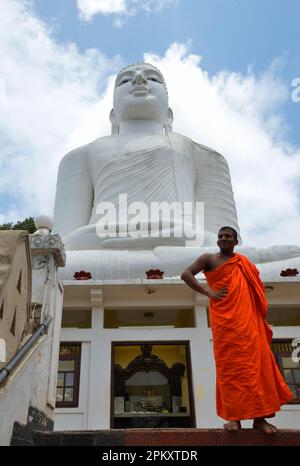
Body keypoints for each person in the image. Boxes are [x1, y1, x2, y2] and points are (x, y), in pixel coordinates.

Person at [181, 226, 294, 434]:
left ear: (236, 241)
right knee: (231, 369)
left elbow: (256, 290)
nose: (223, 239)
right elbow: (186, 274)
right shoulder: (209, 259)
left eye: (228, 236)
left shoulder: (244, 263)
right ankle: (234, 418)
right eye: (221, 236)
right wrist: (208, 291)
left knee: (257, 368)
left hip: (249, 323)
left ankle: (260, 419)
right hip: (225, 323)